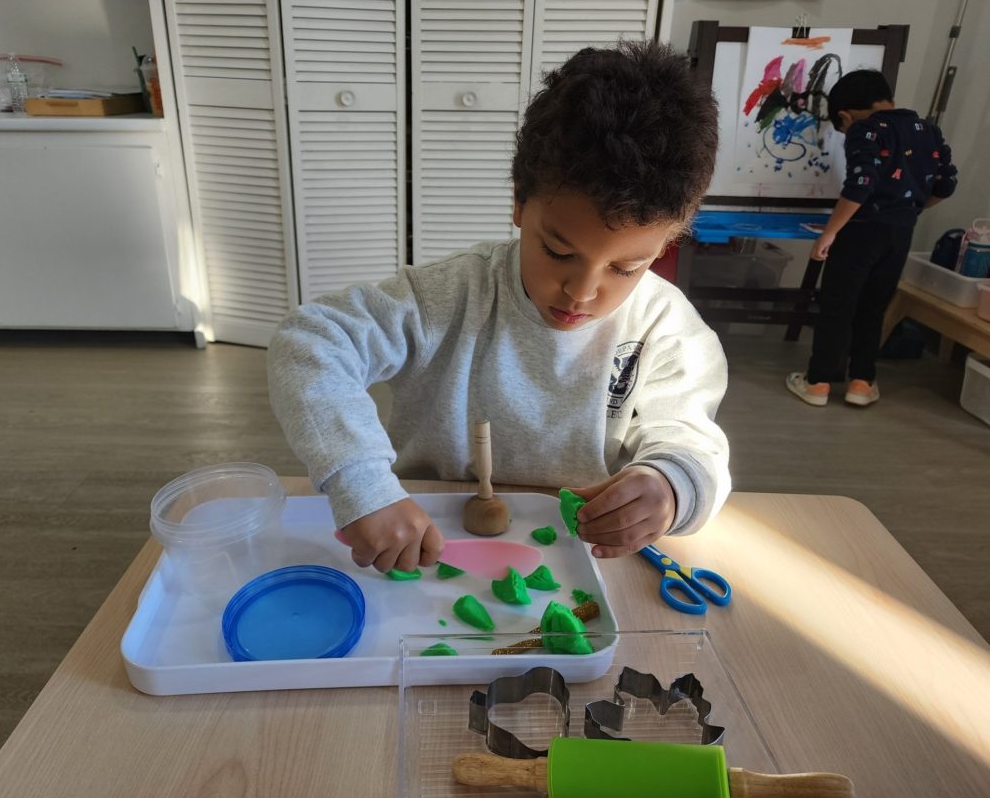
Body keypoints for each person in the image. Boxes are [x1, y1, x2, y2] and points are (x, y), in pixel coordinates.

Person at [268, 41, 730, 573]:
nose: (582, 291)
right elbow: (309, 342)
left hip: (583, 559)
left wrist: (670, 485)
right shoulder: (447, 297)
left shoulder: (666, 328)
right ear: (518, 202)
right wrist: (362, 483)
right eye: (558, 252)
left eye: (626, 268)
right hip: (422, 543)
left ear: (667, 242)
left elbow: (695, 446)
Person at [787, 69, 958, 407]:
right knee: (874, 307)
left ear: (845, 116)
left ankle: (818, 383)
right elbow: (946, 185)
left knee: (838, 306)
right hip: (900, 234)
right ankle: (861, 383)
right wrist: (910, 209)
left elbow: (860, 185)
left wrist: (829, 233)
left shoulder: (865, 128)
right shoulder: (928, 130)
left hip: (860, 232)